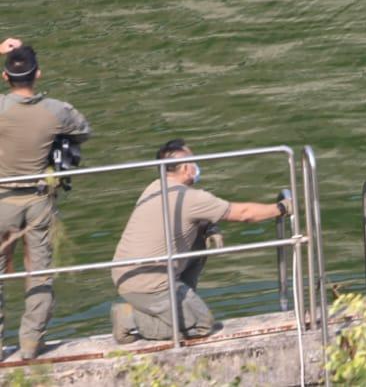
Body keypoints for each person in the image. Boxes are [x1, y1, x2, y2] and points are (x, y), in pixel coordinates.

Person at [109, 140, 290, 344]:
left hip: (125, 275)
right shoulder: (191, 198)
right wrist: (282, 208)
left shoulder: (154, 188)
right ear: (186, 167)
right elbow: (244, 214)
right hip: (149, 285)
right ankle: (130, 319)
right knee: (202, 325)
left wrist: (209, 228)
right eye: (194, 161)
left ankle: (180, 305)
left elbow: (182, 219)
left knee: (197, 236)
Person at [0, 44, 91, 361]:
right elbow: (83, 130)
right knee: (39, 272)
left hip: (1, 199)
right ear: (37, 74)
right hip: (39, 200)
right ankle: (30, 343)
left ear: (5, 76)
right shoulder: (56, 111)